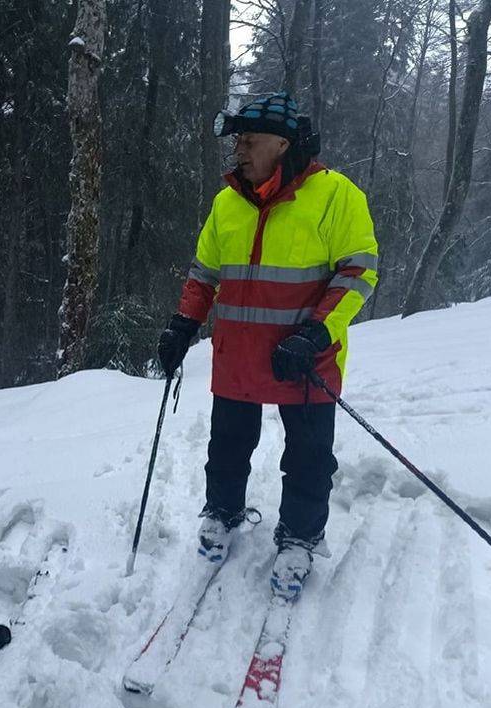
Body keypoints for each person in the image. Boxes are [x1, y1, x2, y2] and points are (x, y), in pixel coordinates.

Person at [157, 92, 378, 600]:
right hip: (237, 355)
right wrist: (182, 325)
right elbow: (204, 274)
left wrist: (316, 333)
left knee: (308, 457)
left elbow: (359, 271)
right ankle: (222, 514)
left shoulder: (336, 195)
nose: (239, 150)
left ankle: (299, 539)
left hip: (305, 357)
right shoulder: (226, 202)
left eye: (249, 141)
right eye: (237, 140)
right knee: (227, 447)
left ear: (283, 143)